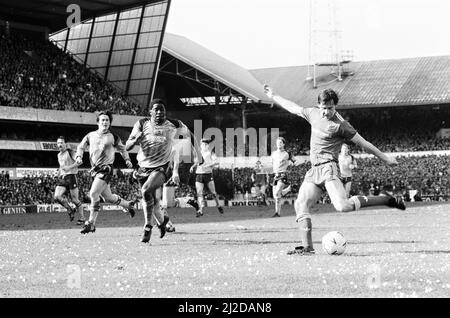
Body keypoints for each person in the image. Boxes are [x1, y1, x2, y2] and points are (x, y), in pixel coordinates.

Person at [263, 85, 405, 255]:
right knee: (300, 203)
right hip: (314, 170)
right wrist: (274, 95)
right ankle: (307, 248)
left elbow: (364, 143)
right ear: (319, 106)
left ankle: (386, 200)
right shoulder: (313, 114)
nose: (326, 112)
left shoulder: (342, 125)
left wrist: (385, 158)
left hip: (329, 168)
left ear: (335, 106)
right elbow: (293, 107)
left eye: (330, 108)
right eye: (324, 108)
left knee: (342, 206)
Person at [125, 99, 199, 243]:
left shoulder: (174, 124)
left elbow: (191, 135)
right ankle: (163, 222)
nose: (159, 112)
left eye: (162, 110)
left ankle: (147, 226)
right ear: (150, 112)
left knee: (146, 190)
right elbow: (127, 146)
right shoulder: (141, 124)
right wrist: (135, 141)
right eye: (156, 109)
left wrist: (198, 157)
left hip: (162, 167)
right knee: (154, 201)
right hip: (143, 167)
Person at [75, 110, 136, 234]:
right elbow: (81, 147)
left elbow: (123, 149)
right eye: (102, 120)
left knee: (93, 194)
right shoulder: (90, 135)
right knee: (109, 197)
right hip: (94, 170)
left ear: (109, 123)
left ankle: (91, 223)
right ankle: (128, 205)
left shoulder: (113, 136)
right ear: (98, 122)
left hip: (106, 169)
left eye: (107, 120)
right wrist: (78, 156)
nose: (105, 122)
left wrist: (127, 159)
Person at [188, 137, 224, 217]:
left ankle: (218, 205)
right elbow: (196, 162)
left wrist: (208, 164)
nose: (203, 146)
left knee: (213, 193)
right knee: (199, 193)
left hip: (208, 175)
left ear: (207, 145)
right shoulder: (198, 153)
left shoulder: (211, 153)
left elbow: (217, 162)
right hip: (199, 174)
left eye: (204, 144)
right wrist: (192, 166)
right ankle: (200, 210)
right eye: (202, 144)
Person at [54, 136, 85, 224]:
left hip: (71, 177)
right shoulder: (59, 155)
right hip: (63, 178)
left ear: (65, 144)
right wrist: (58, 172)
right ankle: (70, 209)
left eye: (61, 143)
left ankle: (82, 218)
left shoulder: (70, 152)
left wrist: (69, 167)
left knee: (75, 200)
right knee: (57, 196)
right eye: (58, 143)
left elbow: (80, 162)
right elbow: (61, 166)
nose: (59, 144)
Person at [270, 137, 298, 217]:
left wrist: (290, 167)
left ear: (284, 144)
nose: (279, 144)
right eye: (278, 143)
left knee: (276, 193)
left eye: (280, 143)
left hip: (283, 175)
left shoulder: (287, 153)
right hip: (275, 175)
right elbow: (272, 163)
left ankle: (288, 189)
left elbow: (295, 161)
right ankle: (277, 213)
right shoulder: (273, 153)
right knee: (276, 197)